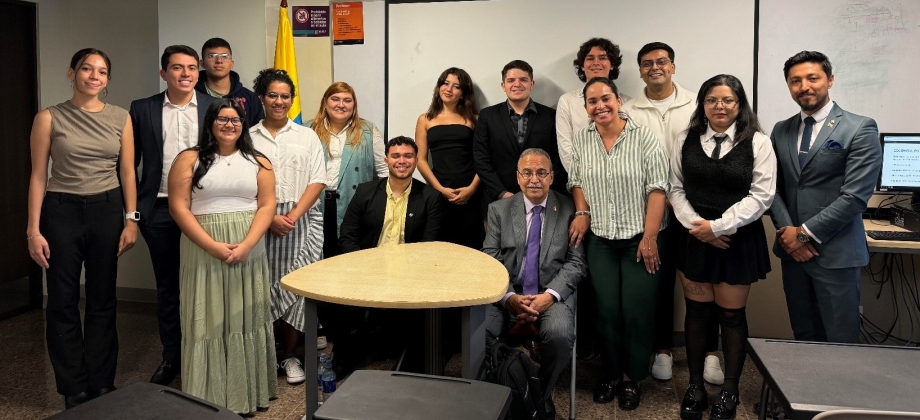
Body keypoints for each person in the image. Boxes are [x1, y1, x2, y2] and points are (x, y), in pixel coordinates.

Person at [27, 48, 138, 409]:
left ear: (107, 80)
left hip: (107, 209)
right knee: (61, 300)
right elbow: (39, 175)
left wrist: (131, 219)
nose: (94, 75)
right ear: (71, 72)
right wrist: (33, 229)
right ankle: (73, 386)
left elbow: (126, 172)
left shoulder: (120, 117)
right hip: (61, 211)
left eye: (102, 71)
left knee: (103, 299)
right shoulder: (49, 117)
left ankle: (101, 381)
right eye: (87, 69)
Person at [669, 75, 776, 420]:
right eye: (712, 99)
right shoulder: (685, 139)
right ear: (702, 104)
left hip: (736, 240)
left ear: (740, 105)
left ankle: (729, 390)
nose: (720, 106)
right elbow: (674, 188)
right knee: (697, 313)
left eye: (728, 100)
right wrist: (698, 228)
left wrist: (718, 227)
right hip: (694, 237)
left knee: (731, 317)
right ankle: (696, 386)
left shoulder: (758, 142)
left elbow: (761, 196)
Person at [167, 98, 278, 414]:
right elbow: (178, 207)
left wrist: (246, 245)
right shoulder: (189, 158)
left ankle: (247, 394)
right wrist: (213, 246)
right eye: (222, 119)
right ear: (210, 123)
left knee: (246, 317)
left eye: (236, 119)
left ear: (243, 124)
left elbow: (267, 205)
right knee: (209, 319)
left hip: (249, 247)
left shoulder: (259, 160)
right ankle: (209, 397)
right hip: (203, 249)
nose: (229, 124)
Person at [622, 42, 722, 383]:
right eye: (647, 63)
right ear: (639, 70)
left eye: (661, 61)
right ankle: (662, 349)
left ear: (673, 66)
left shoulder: (698, 104)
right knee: (660, 283)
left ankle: (710, 352)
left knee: (703, 282)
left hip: (694, 210)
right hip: (652, 210)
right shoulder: (629, 110)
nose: (655, 67)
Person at [568, 77, 669, 411]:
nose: (600, 106)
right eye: (592, 101)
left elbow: (658, 188)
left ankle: (631, 378)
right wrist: (582, 210)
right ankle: (610, 374)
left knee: (637, 312)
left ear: (618, 100)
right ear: (585, 107)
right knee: (607, 311)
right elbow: (577, 180)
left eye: (606, 98)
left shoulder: (643, 137)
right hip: (600, 240)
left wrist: (651, 237)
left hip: (640, 241)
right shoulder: (582, 140)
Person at [769, 51, 882, 344]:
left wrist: (803, 236)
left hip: (836, 253)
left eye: (812, 78)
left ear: (830, 80)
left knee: (839, 340)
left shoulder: (859, 127)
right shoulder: (781, 130)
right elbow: (773, 188)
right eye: (795, 81)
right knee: (804, 334)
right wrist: (788, 236)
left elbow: (855, 197)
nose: (804, 86)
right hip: (792, 254)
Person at [130, 45, 216, 386]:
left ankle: (204, 355)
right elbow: (129, 163)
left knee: (205, 285)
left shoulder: (214, 107)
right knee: (168, 287)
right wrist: (134, 213)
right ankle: (172, 357)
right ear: (164, 73)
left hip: (204, 209)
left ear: (199, 73)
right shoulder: (143, 109)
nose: (186, 74)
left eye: (192, 68)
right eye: (177, 68)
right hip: (160, 210)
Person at [482, 148, 586, 419]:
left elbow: (576, 263)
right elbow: (489, 259)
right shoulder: (499, 210)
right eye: (527, 173)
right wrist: (508, 298)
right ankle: (501, 390)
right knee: (479, 331)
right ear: (517, 178)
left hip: (550, 295)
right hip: (506, 293)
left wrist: (549, 296)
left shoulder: (569, 210)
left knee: (561, 334)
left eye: (541, 173)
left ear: (552, 177)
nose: (534, 179)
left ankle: (540, 392)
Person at [331, 136, 442, 374]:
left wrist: (399, 279)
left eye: (408, 156)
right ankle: (343, 358)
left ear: (415, 160)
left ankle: (414, 364)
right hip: (367, 270)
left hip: (408, 275)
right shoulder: (365, 192)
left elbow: (428, 247)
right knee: (337, 303)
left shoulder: (430, 197)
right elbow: (347, 236)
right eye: (396, 156)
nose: (402, 161)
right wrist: (368, 272)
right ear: (386, 159)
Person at [250, 68, 326, 385]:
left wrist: (292, 216)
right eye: (273, 95)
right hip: (259, 220)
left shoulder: (306, 135)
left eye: (285, 96)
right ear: (261, 98)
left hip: (301, 218)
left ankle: (290, 356)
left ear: (292, 100)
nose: (279, 101)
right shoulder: (247, 136)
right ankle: (268, 357)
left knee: (298, 289)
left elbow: (317, 179)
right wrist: (269, 217)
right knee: (264, 288)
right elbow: (241, 183)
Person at [474, 60, 567, 216]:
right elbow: (481, 159)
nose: (517, 84)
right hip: (498, 201)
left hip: (541, 200)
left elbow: (557, 158)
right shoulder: (487, 116)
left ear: (532, 84)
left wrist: (539, 191)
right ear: (503, 85)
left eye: (523, 79)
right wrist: (502, 193)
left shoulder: (550, 116)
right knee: (498, 241)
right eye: (511, 80)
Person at [308, 82, 387, 258]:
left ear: (354, 105)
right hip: (315, 203)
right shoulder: (308, 129)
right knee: (317, 258)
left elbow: (383, 171)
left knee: (348, 257)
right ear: (325, 103)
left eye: (347, 100)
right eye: (335, 99)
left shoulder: (367, 130)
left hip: (354, 205)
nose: (341, 105)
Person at [414, 67, 484, 249]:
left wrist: (472, 189)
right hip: (438, 192)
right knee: (440, 247)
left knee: (471, 247)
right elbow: (420, 159)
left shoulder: (475, 119)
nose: (448, 89)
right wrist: (439, 189)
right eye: (445, 83)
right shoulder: (425, 119)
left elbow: (484, 159)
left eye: (456, 86)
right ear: (438, 87)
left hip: (470, 193)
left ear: (463, 93)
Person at [556, 37, 631, 172]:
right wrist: (585, 178)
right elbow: (565, 148)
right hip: (582, 181)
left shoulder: (628, 103)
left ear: (612, 64)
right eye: (590, 58)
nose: (596, 62)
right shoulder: (567, 101)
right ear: (582, 66)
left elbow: (633, 147)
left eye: (602, 57)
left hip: (622, 177)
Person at [195, 37, 264, 127]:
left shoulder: (250, 99)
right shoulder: (191, 95)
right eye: (212, 56)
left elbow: (257, 134)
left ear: (232, 63)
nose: (219, 61)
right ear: (202, 64)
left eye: (224, 56)